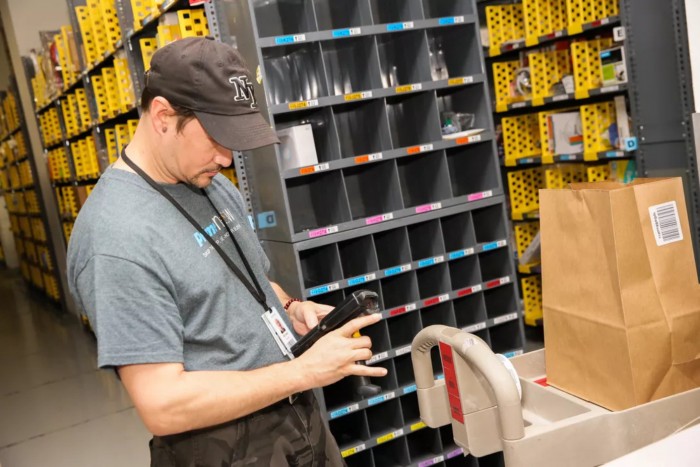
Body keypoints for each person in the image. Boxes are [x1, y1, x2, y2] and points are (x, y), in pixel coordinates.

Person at [67, 37, 386, 466]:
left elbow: (244, 280)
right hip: (223, 446)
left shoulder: (210, 183)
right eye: (217, 137)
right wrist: (302, 371)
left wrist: (291, 308)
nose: (226, 158)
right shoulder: (116, 239)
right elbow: (162, 404)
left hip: (295, 414)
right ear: (162, 116)